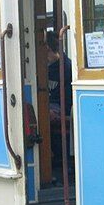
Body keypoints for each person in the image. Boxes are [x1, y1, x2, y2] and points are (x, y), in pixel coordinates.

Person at [45, 31, 72, 166]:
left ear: (47, 49)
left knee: (42, 115)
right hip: (52, 105)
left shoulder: (66, 68)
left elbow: (66, 101)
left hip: (61, 107)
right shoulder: (46, 67)